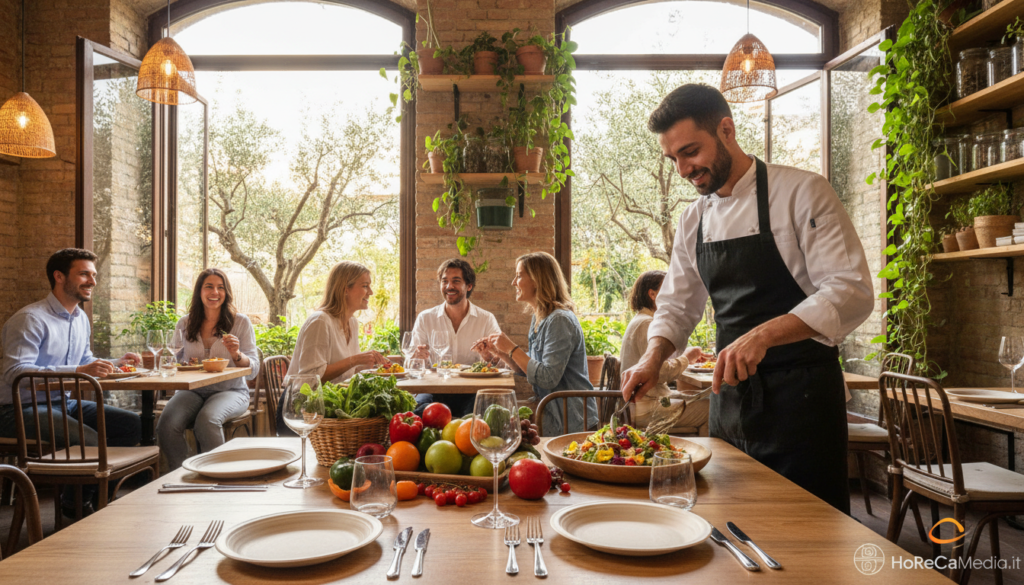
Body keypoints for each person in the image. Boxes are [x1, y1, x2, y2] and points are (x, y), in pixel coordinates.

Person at [620, 84, 873, 514]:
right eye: (674, 158)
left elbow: (851, 291)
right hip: (730, 403)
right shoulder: (693, 219)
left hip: (803, 405)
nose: (683, 168)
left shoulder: (801, 192)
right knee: (731, 526)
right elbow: (678, 305)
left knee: (809, 539)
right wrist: (652, 358)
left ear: (726, 129)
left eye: (691, 151)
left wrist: (764, 334)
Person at [0, 248, 142, 517]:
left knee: (130, 425)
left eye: (94, 274)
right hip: (16, 409)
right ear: (59, 277)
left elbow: (86, 360)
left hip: (62, 402)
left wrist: (115, 361)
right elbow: (15, 372)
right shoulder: (30, 319)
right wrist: (78, 369)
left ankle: (83, 499)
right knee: (92, 440)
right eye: (84, 274)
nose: (92, 281)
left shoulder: (80, 319)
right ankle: (81, 507)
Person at [476, 252, 597, 436]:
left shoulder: (559, 320)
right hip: (550, 409)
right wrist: (499, 353)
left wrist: (511, 348)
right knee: (490, 421)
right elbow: (533, 367)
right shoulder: (540, 317)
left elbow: (547, 378)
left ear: (537, 280)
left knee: (495, 428)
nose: (513, 282)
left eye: (519, 275)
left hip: (570, 419)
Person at [156, 269, 260, 470]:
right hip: (192, 391)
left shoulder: (240, 322)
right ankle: (181, 474)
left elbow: (253, 369)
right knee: (166, 424)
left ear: (226, 293)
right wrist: (163, 357)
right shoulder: (185, 323)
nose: (215, 292)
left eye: (220, 287)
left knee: (207, 421)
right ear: (199, 292)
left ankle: (218, 477)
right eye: (209, 286)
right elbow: (172, 358)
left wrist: (237, 354)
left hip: (231, 391)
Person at [621, 270, 713, 433]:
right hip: (645, 407)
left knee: (702, 398)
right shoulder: (646, 323)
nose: (673, 295)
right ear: (653, 294)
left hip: (644, 403)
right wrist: (686, 358)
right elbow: (660, 372)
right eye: (668, 289)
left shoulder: (640, 320)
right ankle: (700, 455)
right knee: (711, 408)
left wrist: (686, 356)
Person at [410, 258, 501, 416]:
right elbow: (411, 365)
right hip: (433, 390)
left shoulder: (486, 319)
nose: (449, 286)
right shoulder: (426, 318)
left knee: (477, 415)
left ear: (469, 286)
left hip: (472, 391)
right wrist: (417, 358)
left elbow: (500, 363)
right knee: (418, 411)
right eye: (444, 281)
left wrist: (489, 358)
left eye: (456, 281)